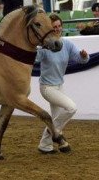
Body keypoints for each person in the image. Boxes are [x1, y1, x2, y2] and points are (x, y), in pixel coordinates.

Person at [36, 13, 90, 154]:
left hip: (60, 86)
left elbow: (80, 58)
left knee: (57, 119)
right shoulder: (45, 47)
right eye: (55, 27)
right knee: (71, 108)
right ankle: (56, 134)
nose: (58, 29)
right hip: (47, 87)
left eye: (60, 26)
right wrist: (38, 48)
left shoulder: (67, 44)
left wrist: (84, 56)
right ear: (50, 28)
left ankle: (45, 145)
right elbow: (34, 58)